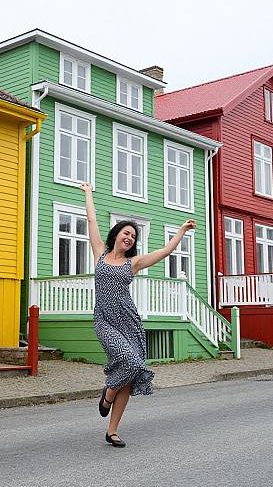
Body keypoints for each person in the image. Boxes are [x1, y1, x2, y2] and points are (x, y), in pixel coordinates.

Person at [79, 182, 196, 448]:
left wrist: (180, 231)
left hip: (129, 322)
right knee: (130, 362)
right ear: (117, 234)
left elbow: (166, 252)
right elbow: (92, 220)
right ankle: (107, 396)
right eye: (126, 233)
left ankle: (112, 431)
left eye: (133, 235)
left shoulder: (134, 263)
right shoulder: (100, 253)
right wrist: (88, 193)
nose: (129, 237)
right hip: (105, 321)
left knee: (130, 377)